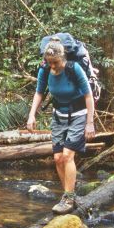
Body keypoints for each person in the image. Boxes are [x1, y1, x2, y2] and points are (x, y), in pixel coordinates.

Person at [26, 38, 96, 214]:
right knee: (57, 158)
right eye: (49, 63)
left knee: (67, 156)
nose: (53, 67)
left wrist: (90, 123)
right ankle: (69, 193)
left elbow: (88, 96)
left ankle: (68, 198)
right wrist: (32, 114)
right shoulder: (45, 70)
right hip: (59, 116)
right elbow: (39, 92)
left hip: (78, 115)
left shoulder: (74, 69)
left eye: (55, 62)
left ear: (62, 58)